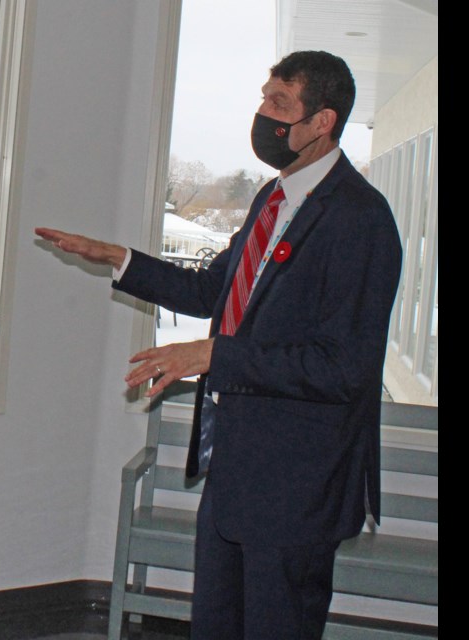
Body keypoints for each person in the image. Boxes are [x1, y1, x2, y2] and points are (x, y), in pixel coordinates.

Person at [36, 51, 402, 639]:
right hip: (237, 471)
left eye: (280, 104)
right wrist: (119, 259)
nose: (263, 114)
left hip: (298, 487)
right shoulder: (272, 199)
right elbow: (214, 290)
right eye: (264, 97)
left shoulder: (361, 219)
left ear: (322, 121)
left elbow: (345, 367)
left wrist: (213, 356)